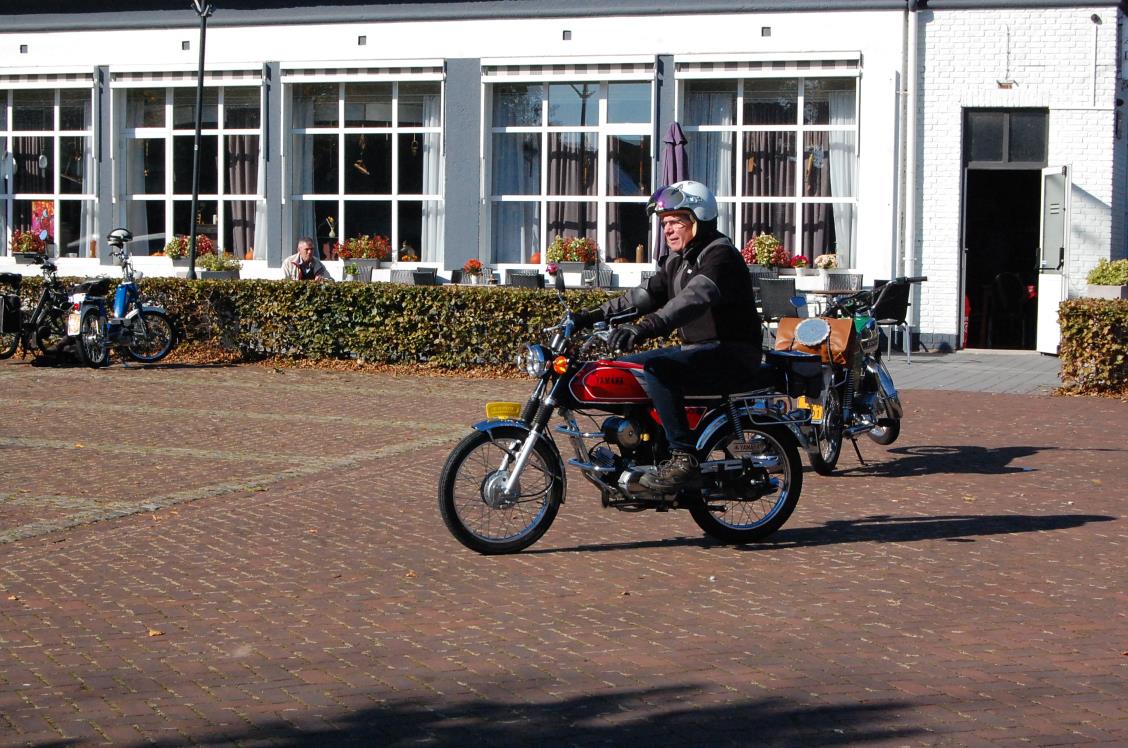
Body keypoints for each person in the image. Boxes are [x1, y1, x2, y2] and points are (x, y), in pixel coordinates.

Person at [572, 181, 762, 492]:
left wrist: (646, 327)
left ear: (699, 219)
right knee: (624, 369)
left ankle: (684, 459)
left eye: (676, 221)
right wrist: (588, 316)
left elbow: (693, 299)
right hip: (700, 351)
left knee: (659, 370)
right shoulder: (677, 260)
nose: (668, 230)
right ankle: (646, 450)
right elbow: (642, 297)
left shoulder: (720, 256)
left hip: (733, 353)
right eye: (664, 224)